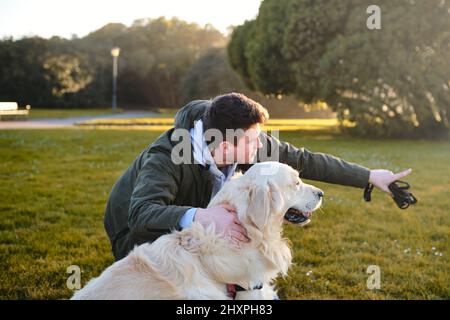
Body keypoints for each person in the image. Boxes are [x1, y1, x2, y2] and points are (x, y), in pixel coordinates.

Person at [104, 93, 412, 261]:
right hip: (136, 235)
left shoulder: (246, 139)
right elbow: (141, 214)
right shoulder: (167, 156)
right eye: (253, 140)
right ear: (225, 146)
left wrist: (369, 176)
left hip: (196, 228)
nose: (262, 144)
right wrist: (204, 217)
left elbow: (304, 160)